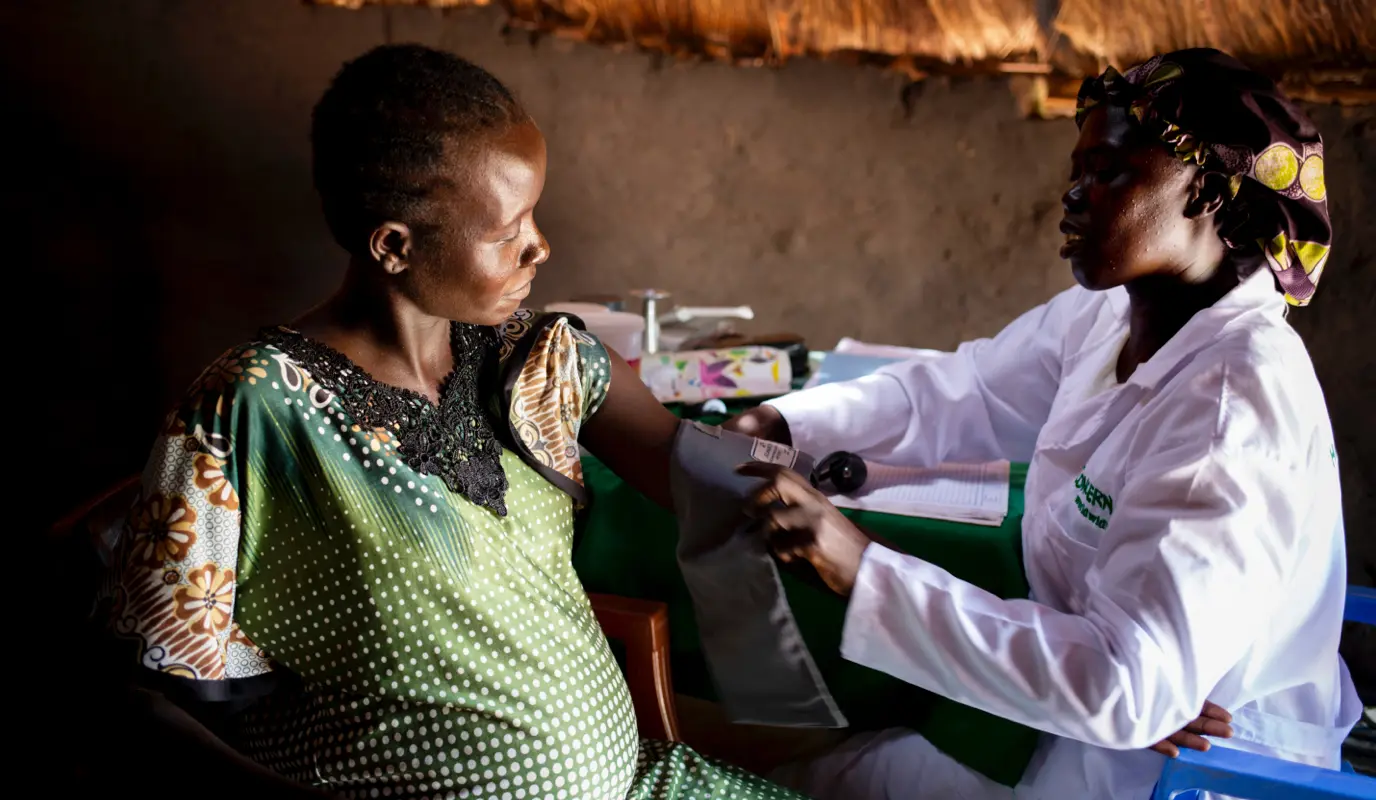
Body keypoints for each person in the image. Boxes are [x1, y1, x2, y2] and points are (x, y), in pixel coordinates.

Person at [98, 44, 802, 800]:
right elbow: (151, 699)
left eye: (533, 215)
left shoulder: (532, 360)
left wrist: (787, 446)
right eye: (508, 232)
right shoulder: (255, 409)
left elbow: (685, 459)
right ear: (394, 246)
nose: (541, 246)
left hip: (634, 787)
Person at [727, 49, 1359, 799]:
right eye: (1077, 169)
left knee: (814, 784)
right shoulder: (1113, 315)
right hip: (1088, 711)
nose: (1072, 196)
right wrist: (786, 423)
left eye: (1109, 172)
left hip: (1188, 770)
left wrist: (862, 569)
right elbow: (963, 392)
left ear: (1209, 195)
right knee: (818, 772)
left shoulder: (1232, 408)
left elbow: (1132, 687)